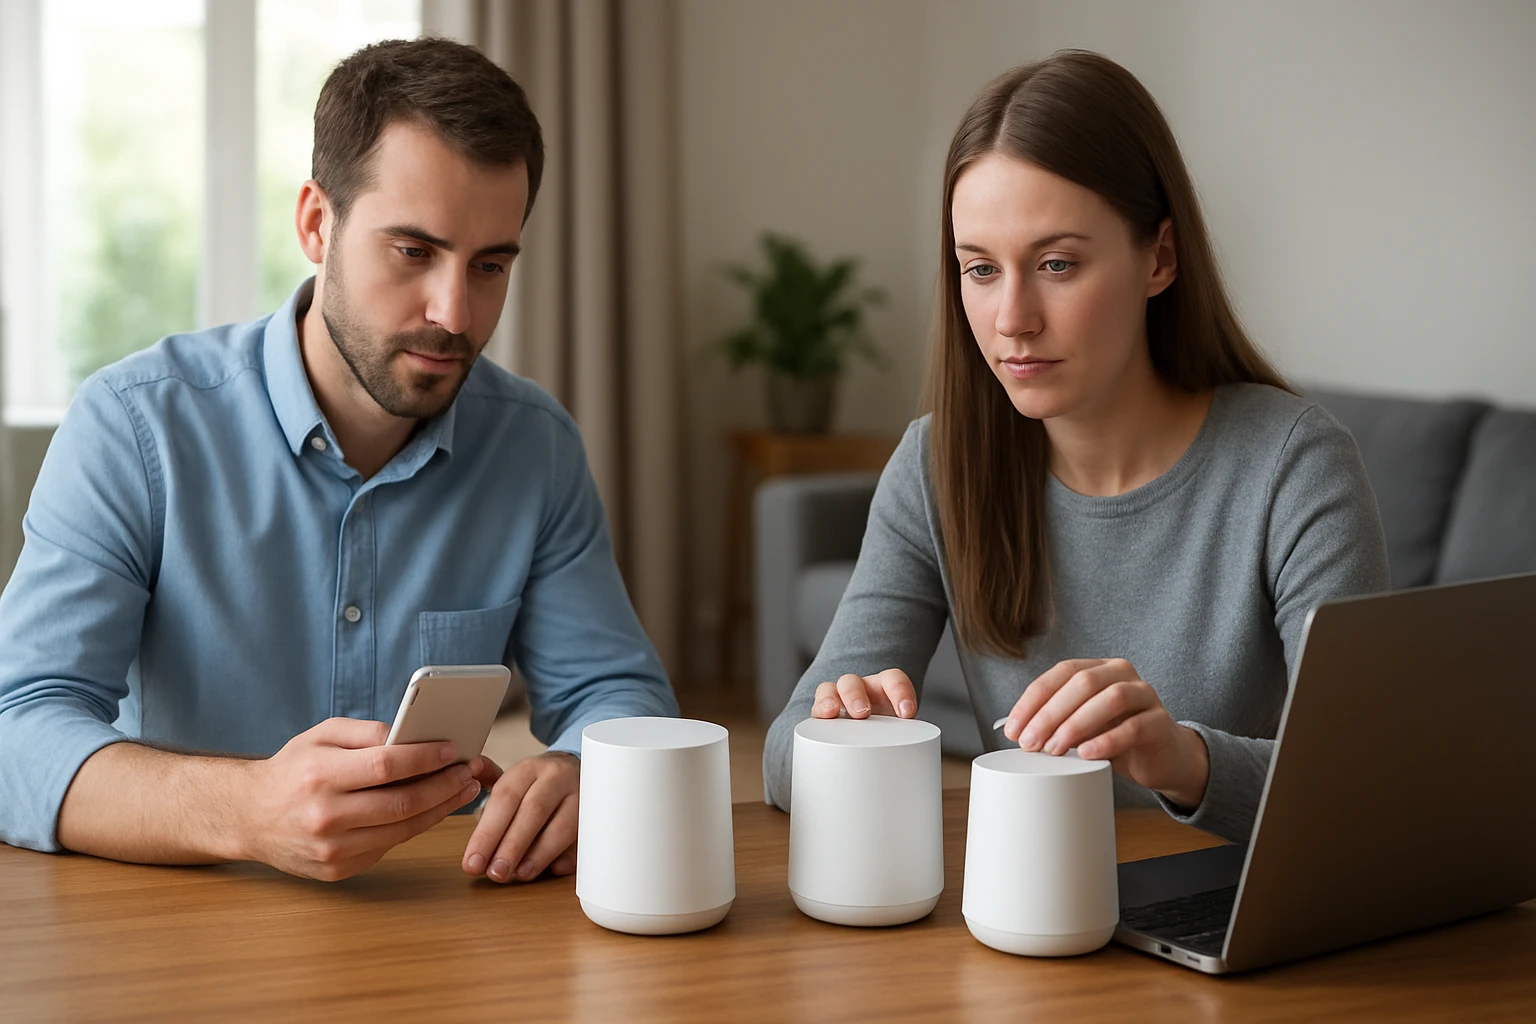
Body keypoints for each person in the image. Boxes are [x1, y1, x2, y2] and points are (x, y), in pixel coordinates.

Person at [0, 38, 678, 882]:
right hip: (182, 923)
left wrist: (582, 770)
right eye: (414, 252)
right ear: (317, 224)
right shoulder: (135, 428)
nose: (455, 313)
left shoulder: (534, 447)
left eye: (491, 265)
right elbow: (17, 727)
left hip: (436, 928)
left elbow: (622, 697)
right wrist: (249, 812)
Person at [762, 50, 1389, 844]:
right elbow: (783, 752)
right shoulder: (937, 466)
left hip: (1239, 917)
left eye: (1057, 264)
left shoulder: (1294, 464)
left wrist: (1181, 758)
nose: (1012, 317)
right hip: (1031, 916)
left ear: (1159, 257)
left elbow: (1357, 787)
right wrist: (843, 731)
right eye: (980, 269)